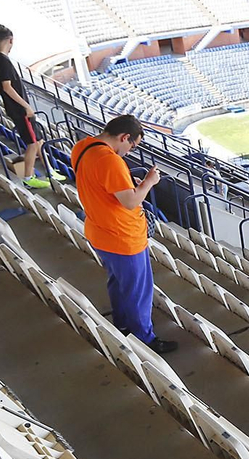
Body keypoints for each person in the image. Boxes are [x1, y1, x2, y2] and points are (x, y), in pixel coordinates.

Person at [72, 115, 177, 353]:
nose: (129, 152)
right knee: (138, 290)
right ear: (124, 137)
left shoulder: (82, 146)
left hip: (100, 232)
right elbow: (130, 202)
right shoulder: (110, 160)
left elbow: (99, 184)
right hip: (122, 237)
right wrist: (148, 183)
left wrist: (129, 184)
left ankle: (122, 325)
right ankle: (144, 340)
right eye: (132, 145)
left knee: (119, 284)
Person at [0, 24, 57, 189]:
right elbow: (6, 86)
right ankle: (28, 177)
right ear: (11, 40)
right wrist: (25, 105)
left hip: (14, 107)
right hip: (20, 110)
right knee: (32, 144)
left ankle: (50, 170)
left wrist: (6, 99)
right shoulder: (4, 61)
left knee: (38, 139)